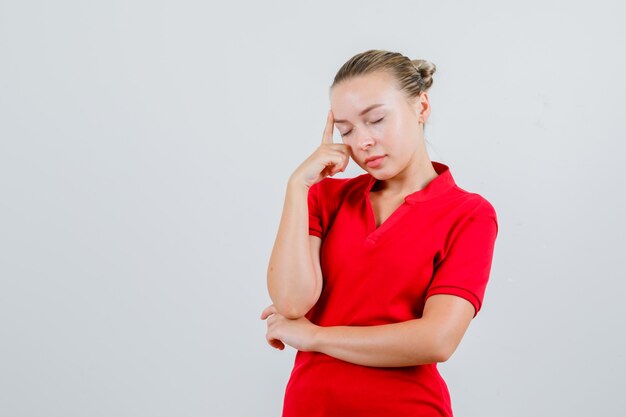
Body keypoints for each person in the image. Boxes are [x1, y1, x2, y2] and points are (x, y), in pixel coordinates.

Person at [260, 49, 499, 417]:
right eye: (347, 130)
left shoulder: (468, 214)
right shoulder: (325, 197)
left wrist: (315, 336)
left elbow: (437, 339)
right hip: (311, 405)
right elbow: (292, 303)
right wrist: (297, 185)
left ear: (421, 107)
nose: (362, 142)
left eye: (376, 120)